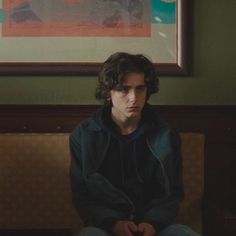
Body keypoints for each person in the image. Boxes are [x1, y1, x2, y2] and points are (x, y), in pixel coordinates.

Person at [69, 52, 200, 236]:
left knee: (183, 233)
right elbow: (82, 196)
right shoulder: (84, 135)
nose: (133, 98)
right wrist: (114, 223)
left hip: (155, 227)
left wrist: (153, 223)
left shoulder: (166, 134)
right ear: (108, 92)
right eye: (124, 89)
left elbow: (173, 193)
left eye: (140, 89)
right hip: (106, 227)